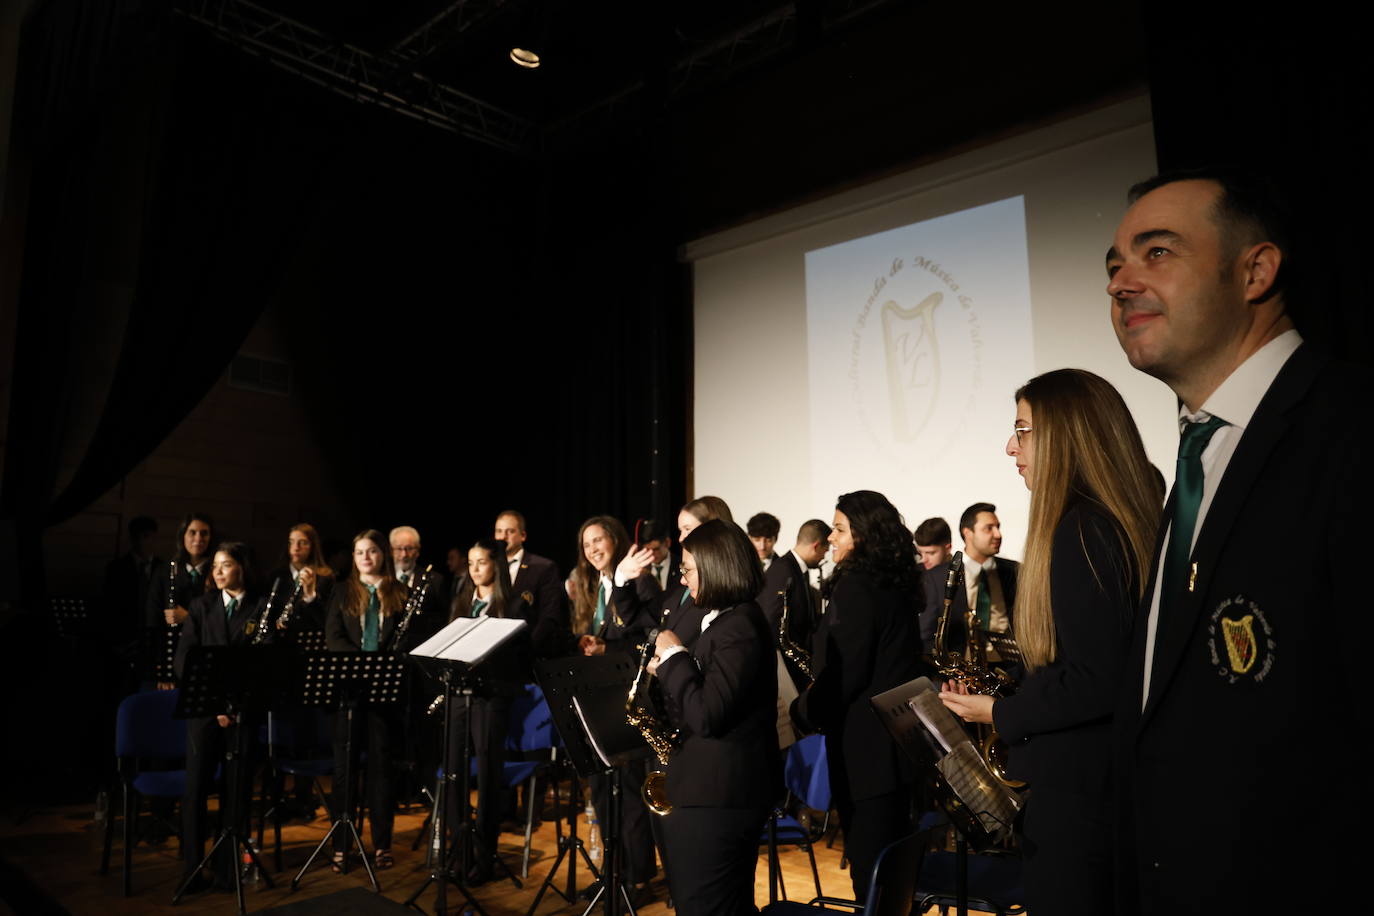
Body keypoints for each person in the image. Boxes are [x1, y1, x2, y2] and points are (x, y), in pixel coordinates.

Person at [1104, 169, 1365, 912]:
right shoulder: (1196, 459)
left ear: (1256, 271)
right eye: (1115, 265)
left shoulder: (1349, 433)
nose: (1123, 282)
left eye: (1156, 253)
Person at [940, 369, 1161, 915]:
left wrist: (998, 710)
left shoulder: (1082, 528)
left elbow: (1094, 677)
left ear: (1067, 435)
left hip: (1080, 800)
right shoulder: (1114, 521)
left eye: (1022, 429)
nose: (1010, 446)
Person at [791, 490, 923, 899]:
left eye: (840, 529)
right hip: (899, 745)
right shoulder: (896, 584)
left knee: (871, 876)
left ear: (863, 536)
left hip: (866, 755)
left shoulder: (856, 587)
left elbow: (844, 677)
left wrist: (799, 712)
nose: (831, 537)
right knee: (893, 876)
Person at [646, 519, 781, 916]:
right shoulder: (728, 619)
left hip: (720, 797)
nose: (683, 579)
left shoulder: (738, 625)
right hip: (715, 789)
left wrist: (674, 657)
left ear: (715, 566)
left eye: (687, 569)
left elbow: (707, 714)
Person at [567, 515, 658, 898]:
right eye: (586, 544)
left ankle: (638, 877)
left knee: (630, 788)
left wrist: (610, 650)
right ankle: (613, 871)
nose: (592, 549)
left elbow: (653, 638)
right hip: (598, 701)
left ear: (616, 541)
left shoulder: (640, 580)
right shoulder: (592, 587)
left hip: (631, 700)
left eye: (598, 540)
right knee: (603, 790)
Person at [174, 541, 267, 893]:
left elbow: (263, 667)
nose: (217, 571)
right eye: (215, 565)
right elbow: (184, 660)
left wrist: (235, 705)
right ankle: (192, 868)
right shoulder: (201, 606)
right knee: (195, 788)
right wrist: (215, 704)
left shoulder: (260, 608)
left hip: (242, 714)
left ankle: (228, 870)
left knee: (236, 791)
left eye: (226, 564)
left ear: (241, 567)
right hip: (204, 712)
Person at [444, 537, 532, 883]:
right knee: (453, 771)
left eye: (481, 561)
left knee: (489, 772)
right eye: (470, 562)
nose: (475, 568)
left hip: (492, 697)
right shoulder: (462, 600)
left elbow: (521, 657)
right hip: (460, 696)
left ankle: (484, 855)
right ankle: (459, 850)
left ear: (495, 564)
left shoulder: (512, 604)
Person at [324, 529, 408, 872]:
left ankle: (382, 845)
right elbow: (334, 637)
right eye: (360, 552)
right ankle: (342, 844)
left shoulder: (399, 591)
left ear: (381, 555)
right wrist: (364, 665)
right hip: (350, 690)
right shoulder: (343, 591)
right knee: (344, 769)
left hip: (384, 694)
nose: (366, 558)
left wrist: (384, 666)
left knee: (381, 770)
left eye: (372, 551)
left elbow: (404, 639)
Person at [920, 503, 1018, 654]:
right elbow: (927, 636)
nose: (998, 534)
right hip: (962, 670)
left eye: (998, 527)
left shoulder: (1015, 571)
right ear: (968, 533)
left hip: (1011, 668)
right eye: (989, 528)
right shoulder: (937, 578)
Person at [495, 510, 569, 659]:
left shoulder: (543, 567)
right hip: (494, 653)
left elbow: (549, 616)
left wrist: (528, 649)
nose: (503, 537)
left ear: (523, 535)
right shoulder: (489, 566)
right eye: (499, 531)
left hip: (528, 654)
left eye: (510, 531)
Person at [758, 518, 830, 653]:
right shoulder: (783, 570)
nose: (823, 557)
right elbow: (772, 621)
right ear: (816, 546)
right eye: (825, 551)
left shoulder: (794, 569)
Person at [265, 523, 336, 632]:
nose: (296, 548)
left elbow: (327, 620)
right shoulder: (276, 576)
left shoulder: (325, 578)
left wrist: (310, 596)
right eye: (291, 542)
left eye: (303, 543)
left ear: (313, 546)